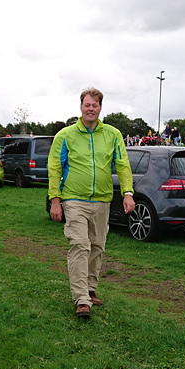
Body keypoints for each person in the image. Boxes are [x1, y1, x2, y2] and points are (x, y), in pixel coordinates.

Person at [48, 87, 134, 318]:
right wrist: (55, 200)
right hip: (74, 199)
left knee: (97, 246)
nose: (90, 109)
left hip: (103, 200)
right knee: (80, 245)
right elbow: (54, 168)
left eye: (95, 105)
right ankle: (81, 299)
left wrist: (128, 193)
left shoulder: (113, 134)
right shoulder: (65, 135)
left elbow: (123, 165)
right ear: (80, 107)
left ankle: (90, 288)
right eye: (87, 105)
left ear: (100, 108)